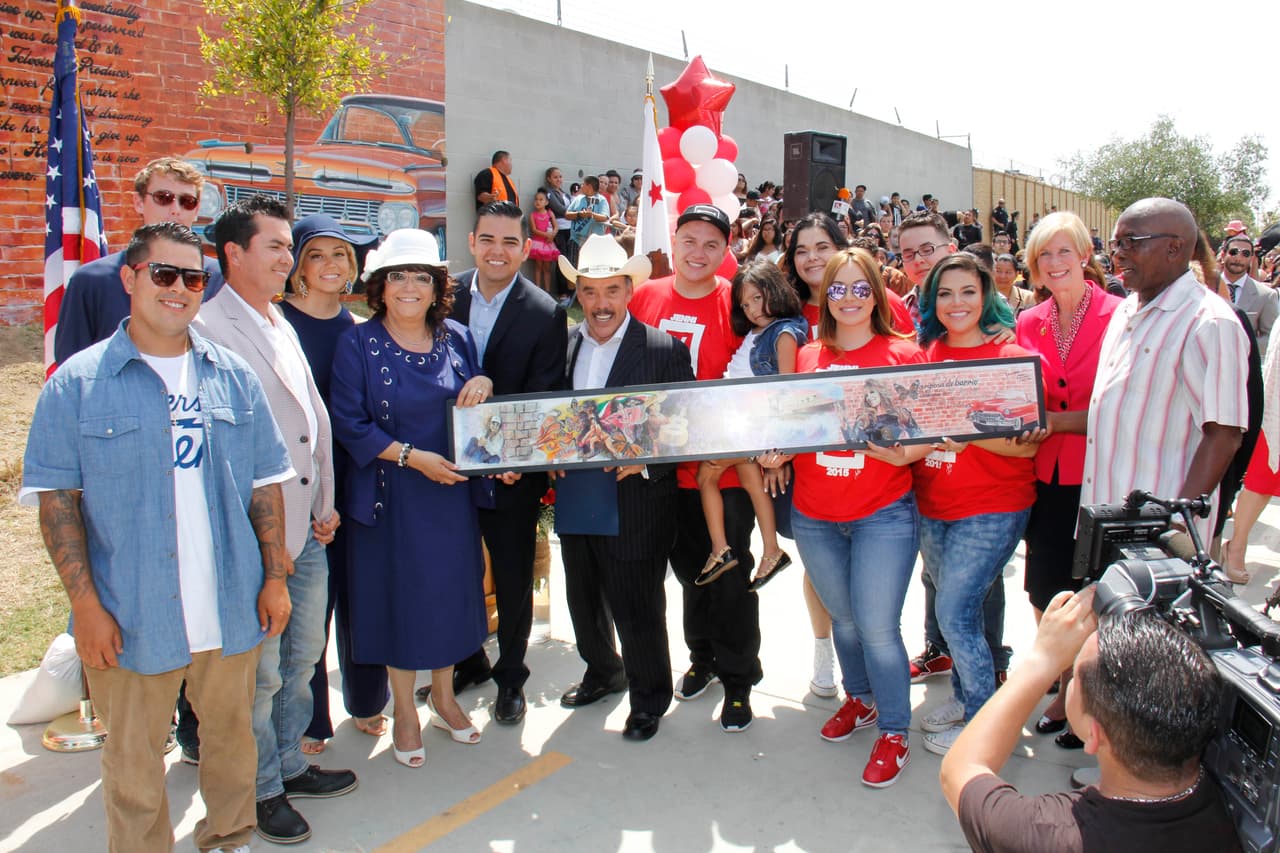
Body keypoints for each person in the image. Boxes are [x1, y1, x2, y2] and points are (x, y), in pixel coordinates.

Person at [23, 222, 294, 852]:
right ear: (130, 278)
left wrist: (275, 577)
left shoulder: (232, 375)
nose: (179, 289)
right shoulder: (77, 384)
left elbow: (264, 485)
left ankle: (229, 838)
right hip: (130, 612)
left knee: (232, 747)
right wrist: (86, 608)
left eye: (193, 278)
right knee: (133, 766)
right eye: (163, 274)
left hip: (228, 606)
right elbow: (57, 506)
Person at [196, 196, 351, 846]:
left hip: (309, 529)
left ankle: (289, 762)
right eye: (277, 246)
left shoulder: (277, 320)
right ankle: (260, 789)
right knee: (259, 674)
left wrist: (325, 505)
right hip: (255, 538)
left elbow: (309, 418)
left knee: (301, 656)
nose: (289, 257)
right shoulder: (207, 327)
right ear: (234, 253)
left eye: (291, 246)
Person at [329, 229, 499, 769]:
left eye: (421, 276)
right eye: (398, 275)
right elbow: (348, 422)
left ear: (436, 286)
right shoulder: (356, 343)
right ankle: (404, 709)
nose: (409, 286)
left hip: (449, 498)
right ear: (380, 285)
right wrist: (411, 458)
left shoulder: (457, 337)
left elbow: (473, 396)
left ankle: (444, 698)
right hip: (391, 497)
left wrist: (485, 383)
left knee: (449, 598)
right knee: (399, 604)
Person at [758, 247, 924, 788]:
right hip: (815, 514)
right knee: (846, 622)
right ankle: (863, 700)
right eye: (838, 288)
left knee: (877, 628)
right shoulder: (807, 355)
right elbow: (792, 430)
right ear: (823, 296)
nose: (849, 299)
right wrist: (774, 453)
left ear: (877, 294)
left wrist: (900, 453)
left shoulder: (903, 353)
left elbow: (931, 433)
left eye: (860, 288)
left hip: (883, 513)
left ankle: (895, 730)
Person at [941, 588, 1241, 853]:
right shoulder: (1237, 808)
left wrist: (1043, 659)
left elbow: (961, 768)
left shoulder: (1045, 834)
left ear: (1095, 734)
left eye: (1073, 675)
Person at [553, 234, 695, 741]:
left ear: (628, 292)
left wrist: (650, 466)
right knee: (583, 597)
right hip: (576, 497)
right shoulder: (564, 343)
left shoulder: (662, 350)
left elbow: (686, 427)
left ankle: (648, 698)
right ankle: (602, 671)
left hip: (636, 501)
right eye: (589, 292)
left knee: (638, 606)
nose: (600, 303)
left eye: (611, 290)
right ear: (579, 295)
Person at [629, 203, 762, 732]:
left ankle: (738, 681)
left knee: (729, 576)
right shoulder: (645, 296)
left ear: (725, 250)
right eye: (690, 240)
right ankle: (702, 658)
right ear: (675, 242)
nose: (699, 253)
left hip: (723, 473)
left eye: (712, 244)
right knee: (689, 575)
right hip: (663, 472)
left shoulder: (737, 302)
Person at [911, 254, 1039, 755]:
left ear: (986, 295)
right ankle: (967, 698)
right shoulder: (925, 356)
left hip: (993, 506)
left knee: (957, 612)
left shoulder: (1010, 358)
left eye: (967, 291)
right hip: (934, 505)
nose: (956, 302)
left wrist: (968, 435)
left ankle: (985, 727)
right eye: (945, 293)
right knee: (954, 612)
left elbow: (1026, 445)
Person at [447, 201, 568, 725]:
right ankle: (468, 658)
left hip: (512, 473)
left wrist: (517, 458)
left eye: (510, 242)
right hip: (444, 468)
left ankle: (511, 675)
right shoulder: (441, 295)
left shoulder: (546, 311)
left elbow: (545, 394)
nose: (498, 251)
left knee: (515, 575)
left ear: (526, 247)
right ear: (472, 241)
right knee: (455, 569)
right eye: (488, 240)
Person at [280, 215, 390, 758]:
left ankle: (367, 700)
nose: (330, 265)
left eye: (340, 255)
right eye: (317, 255)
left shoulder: (361, 329)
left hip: (355, 475)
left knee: (357, 590)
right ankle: (309, 716)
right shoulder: (276, 324)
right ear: (298, 265)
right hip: (298, 483)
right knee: (308, 607)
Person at [1082, 197, 1247, 548]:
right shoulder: (1125, 311)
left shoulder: (1209, 323)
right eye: (1115, 244)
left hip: (1159, 538)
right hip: (1107, 524)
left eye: (1131, 242)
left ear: (1174, 248)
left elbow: (1224, 434)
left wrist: (1175, 527)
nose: (1118, 254)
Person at [1015, 211, 1122, 746]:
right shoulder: (1028, 321)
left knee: (1092, 588)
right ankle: (1061, 682)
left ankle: (1087, 696)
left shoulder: (1122, 316)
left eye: (1064, 251)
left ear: (1085, 254)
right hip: (1045, 473)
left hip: (1102, 473)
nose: (1055, 263)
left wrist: (1058, 421)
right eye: (1044, 255)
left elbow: (1124, 404)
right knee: (1044, 585)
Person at [897, 211, 1012, 687]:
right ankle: (942, 651)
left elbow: (1018, 419)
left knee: (975, 587)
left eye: (928, 248)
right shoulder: (913, 314)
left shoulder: (992, 322)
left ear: (949, 246)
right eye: (908, 253)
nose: (919, 259)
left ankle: (990, 670)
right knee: (939, 580)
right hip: (930, 483)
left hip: (984, 491)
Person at [694, 259, 803, 590]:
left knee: (706, 474)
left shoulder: (784, 332)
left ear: (775, 289)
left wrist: (776, 448)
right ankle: (771, 551)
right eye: (745, 303)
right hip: (740, 423)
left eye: (758, 298)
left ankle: (720, 549)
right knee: (751, 484)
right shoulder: (758, 332)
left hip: (755, 427)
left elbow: (787, 392)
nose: (753, 309)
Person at [54, 157, 224, 365]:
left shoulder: (218, 278)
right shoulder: (90, 281)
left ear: (197, 211)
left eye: (187, 201)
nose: (175, 209)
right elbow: (71, 367)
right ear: (139, 202)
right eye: (164, 198)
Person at [1220, 232, 1277, 354]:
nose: (1238, 258)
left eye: (1245, 254)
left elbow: (1271, 337)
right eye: (1233, 252)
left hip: (1245, 367)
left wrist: (1241, 345)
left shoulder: (1266, 295)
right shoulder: (1204, 289)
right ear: (1223, 254)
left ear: (1251, 258)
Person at [567, 176, 610, 265]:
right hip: (575, 240)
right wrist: (579, 214)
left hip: (594, 242)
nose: (581, 186)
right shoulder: (578, 198)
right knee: (572, 268)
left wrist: (591, 215)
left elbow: (605, 217)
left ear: (589, 186)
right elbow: (567, 215)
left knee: (590, 268)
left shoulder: (601, 200)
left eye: (583, 184)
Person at [527, 188, 560, 294]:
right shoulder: (533, 215)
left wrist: (553, 235)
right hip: (538, 243)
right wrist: (546, 234)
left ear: (546, 202)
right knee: (538, 267)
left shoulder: (550, 213)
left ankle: (547, 290)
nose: (538, 202)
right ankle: (537, 290)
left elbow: (556, 226)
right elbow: (534, 230)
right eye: (536, 199)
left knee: (547, 268)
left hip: (549, 244)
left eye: (541, 200)